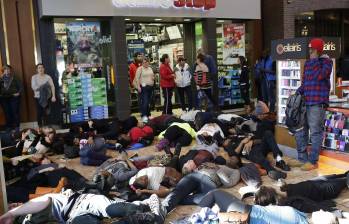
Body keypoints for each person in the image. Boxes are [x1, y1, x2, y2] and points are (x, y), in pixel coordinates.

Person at [295, 38, 333, 171]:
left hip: (318, 103)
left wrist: (315, 59)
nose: (310, 51)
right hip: (306, 102)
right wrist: (296, 93)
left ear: (318, 50)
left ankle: (312, 161)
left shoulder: (327, 63)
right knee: (302, 131)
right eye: (310, 49)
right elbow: (305, 82)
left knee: (316, 132)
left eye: (313, 49)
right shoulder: (308, 62)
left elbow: (318, 76)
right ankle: (303, 159)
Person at [181, 189, 309, 224]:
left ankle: (191, 218)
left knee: (215, 193)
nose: (320, 211)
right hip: (247, 215)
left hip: (247, 213)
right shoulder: (300, 216)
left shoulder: (297, 215)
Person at [0, 65, 22, 131]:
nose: (7, 71)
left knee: (15, 112)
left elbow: (20, 86)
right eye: (5, 70)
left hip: (13, 98)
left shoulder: (15, 77)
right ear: (3, 71)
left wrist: (18, 93)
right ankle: (9, 126)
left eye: (8, 69)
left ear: (10, 70)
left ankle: (17, 126)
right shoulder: (1, 78)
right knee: (7, 112)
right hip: (4, 98)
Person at [134, 58, 155, 123]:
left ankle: (148, 115)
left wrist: (153, 78)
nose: (146, 63)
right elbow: (137, 78)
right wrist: (138, 87)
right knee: (145, 102)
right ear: (142, 63)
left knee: (148, 102)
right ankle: (144, 116)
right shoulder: (140, 69)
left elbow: (152, 75)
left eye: (147, 62)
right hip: (143, 87)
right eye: (144, 62)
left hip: (150, 87)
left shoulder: (150, 68)